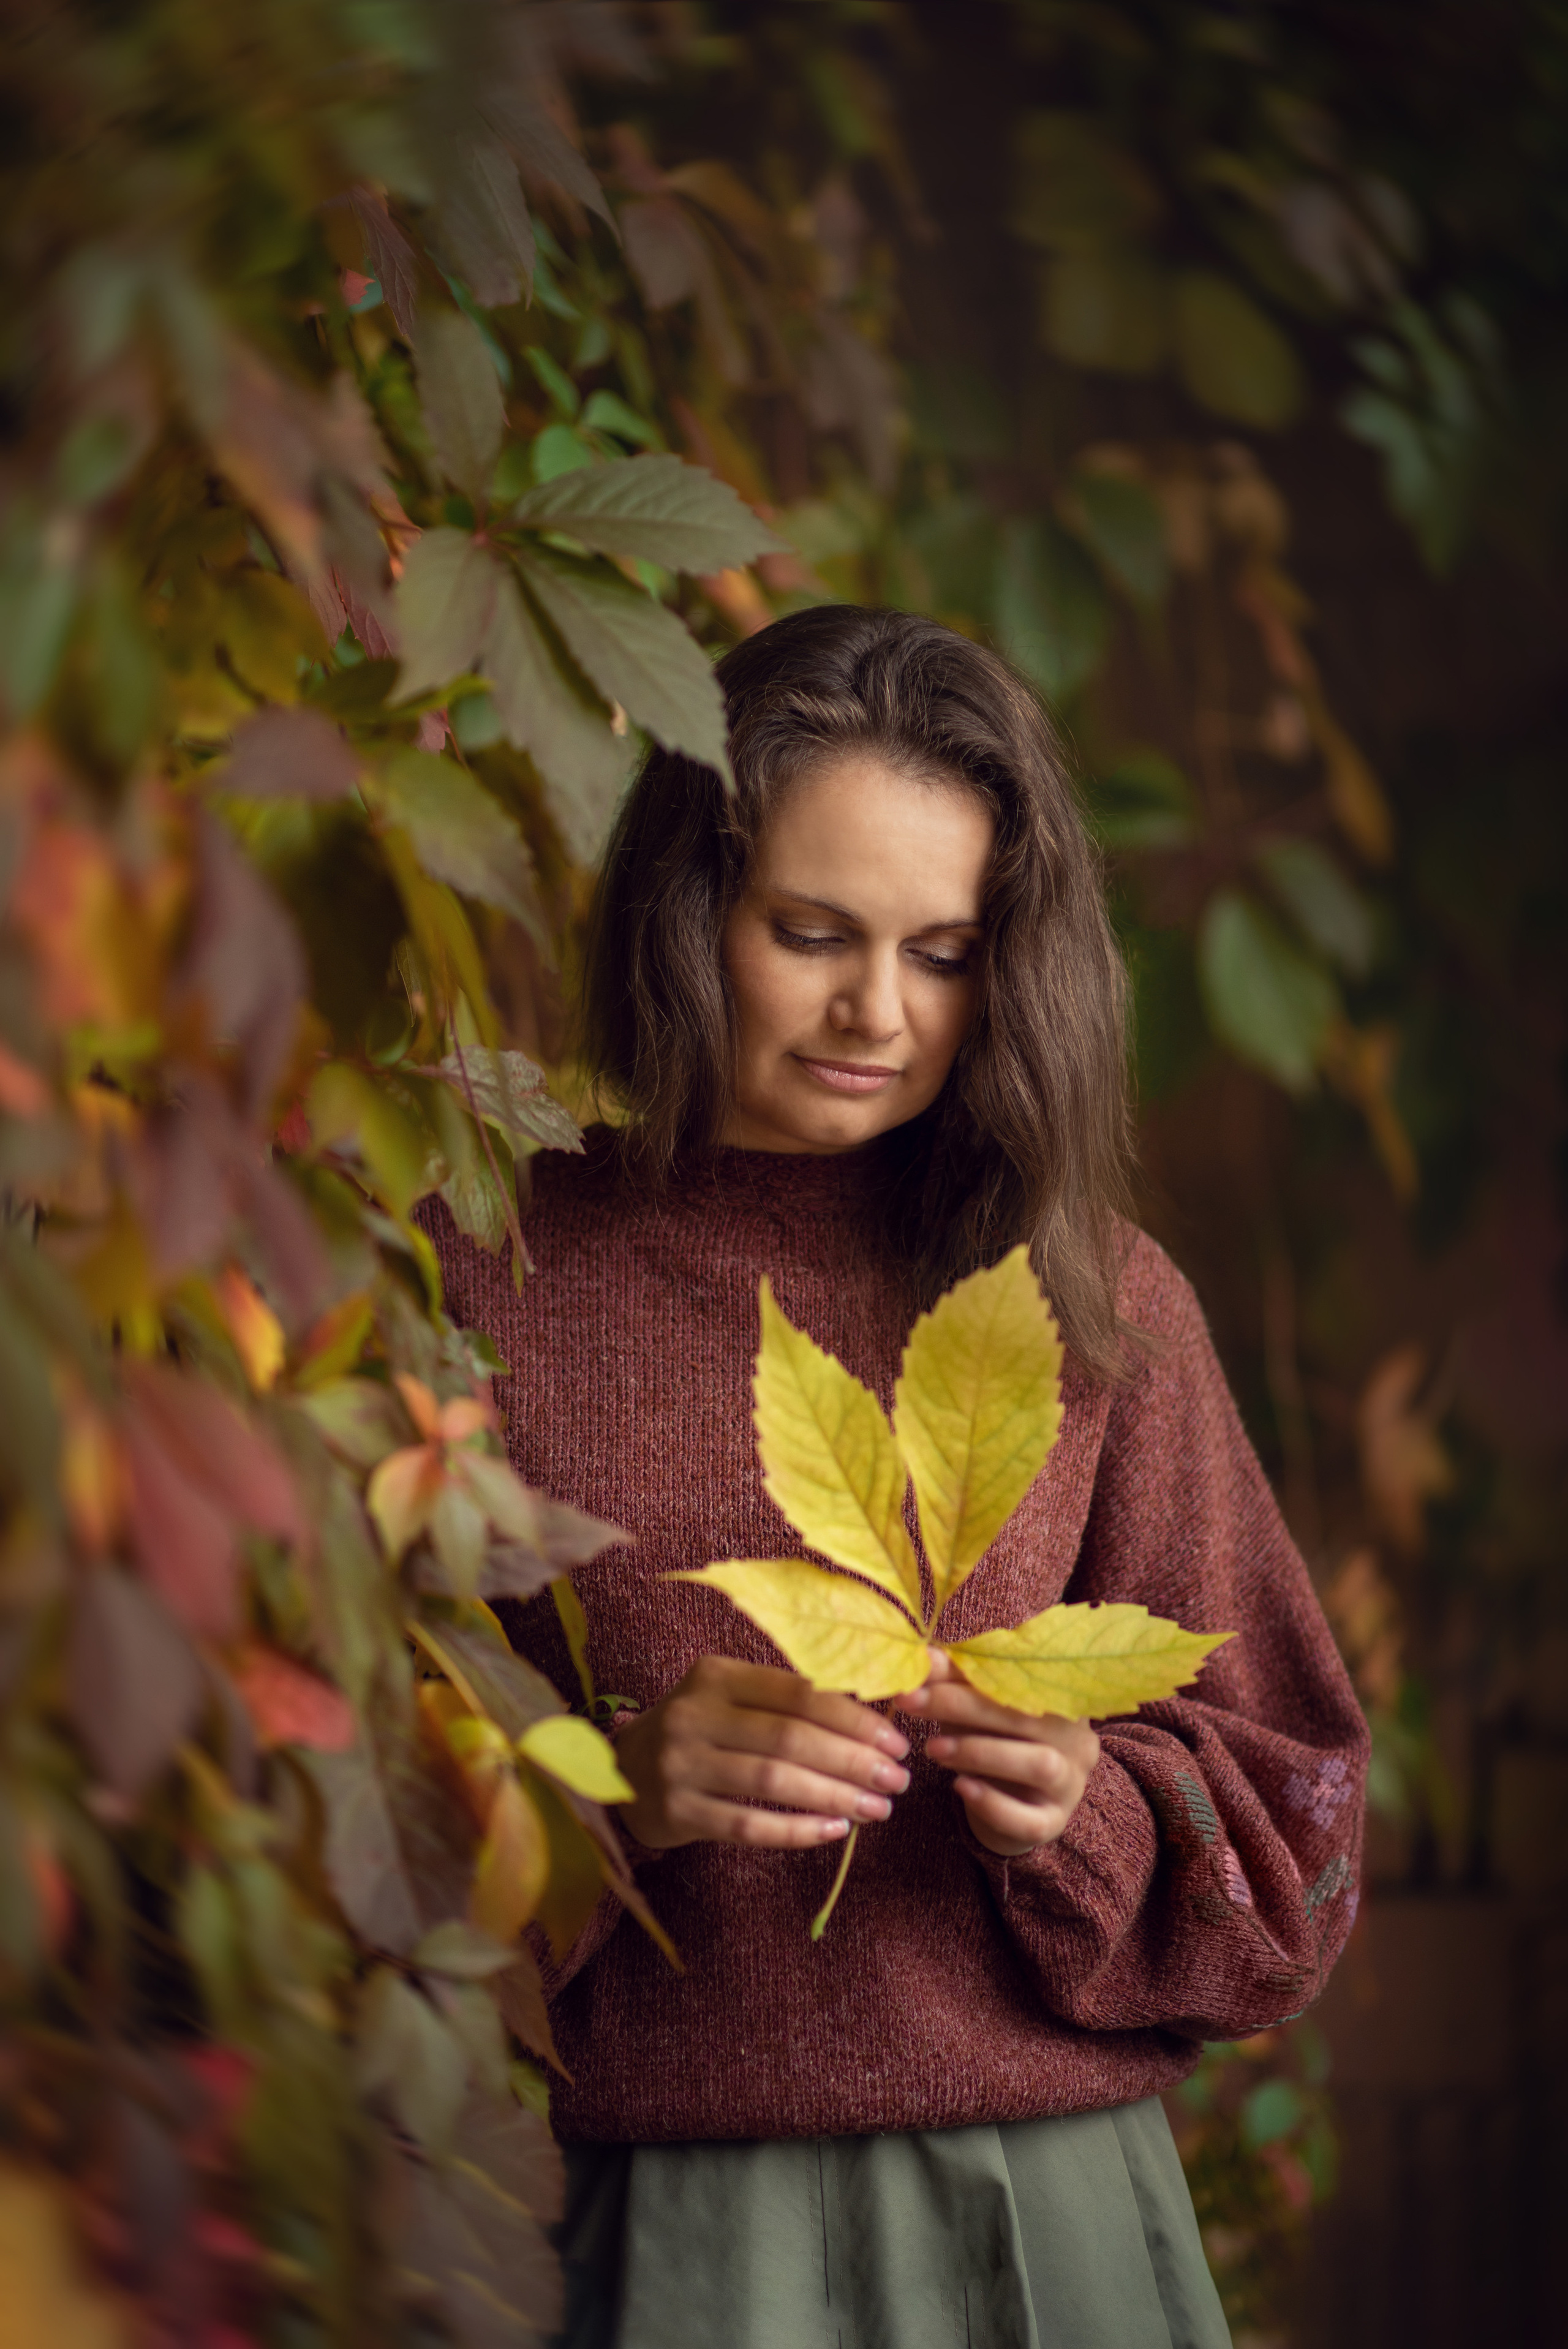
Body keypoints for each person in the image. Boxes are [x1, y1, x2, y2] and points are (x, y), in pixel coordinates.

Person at [424, 605, 1369, 2349]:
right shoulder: (475, 1274)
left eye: (943, 951)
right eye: (812, 933)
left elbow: (1298, 1819)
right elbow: (294, 1837)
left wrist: (1085, 1804)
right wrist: (609, 1795)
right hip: (626, 2226)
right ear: (683, 909)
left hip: (1047, 2217)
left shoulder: (1091, 1293)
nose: (879, 1011)